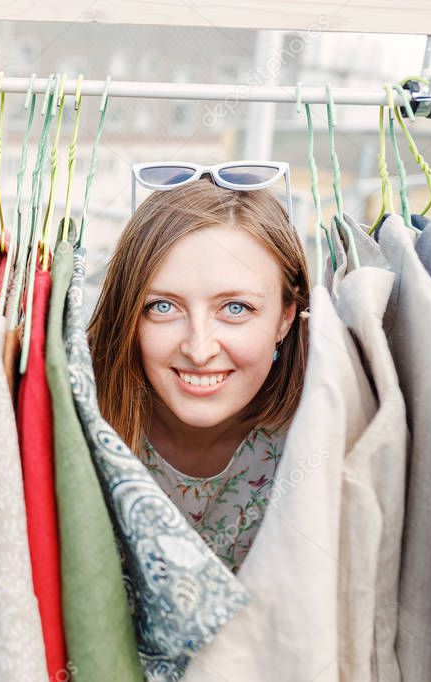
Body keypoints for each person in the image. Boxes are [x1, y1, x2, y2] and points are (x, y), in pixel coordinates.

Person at [87, 179, 309, 571]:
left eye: (235, 308)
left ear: (286, 316)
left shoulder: (323, 436)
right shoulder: (78, 421)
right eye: (162, 307)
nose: (199, 349)